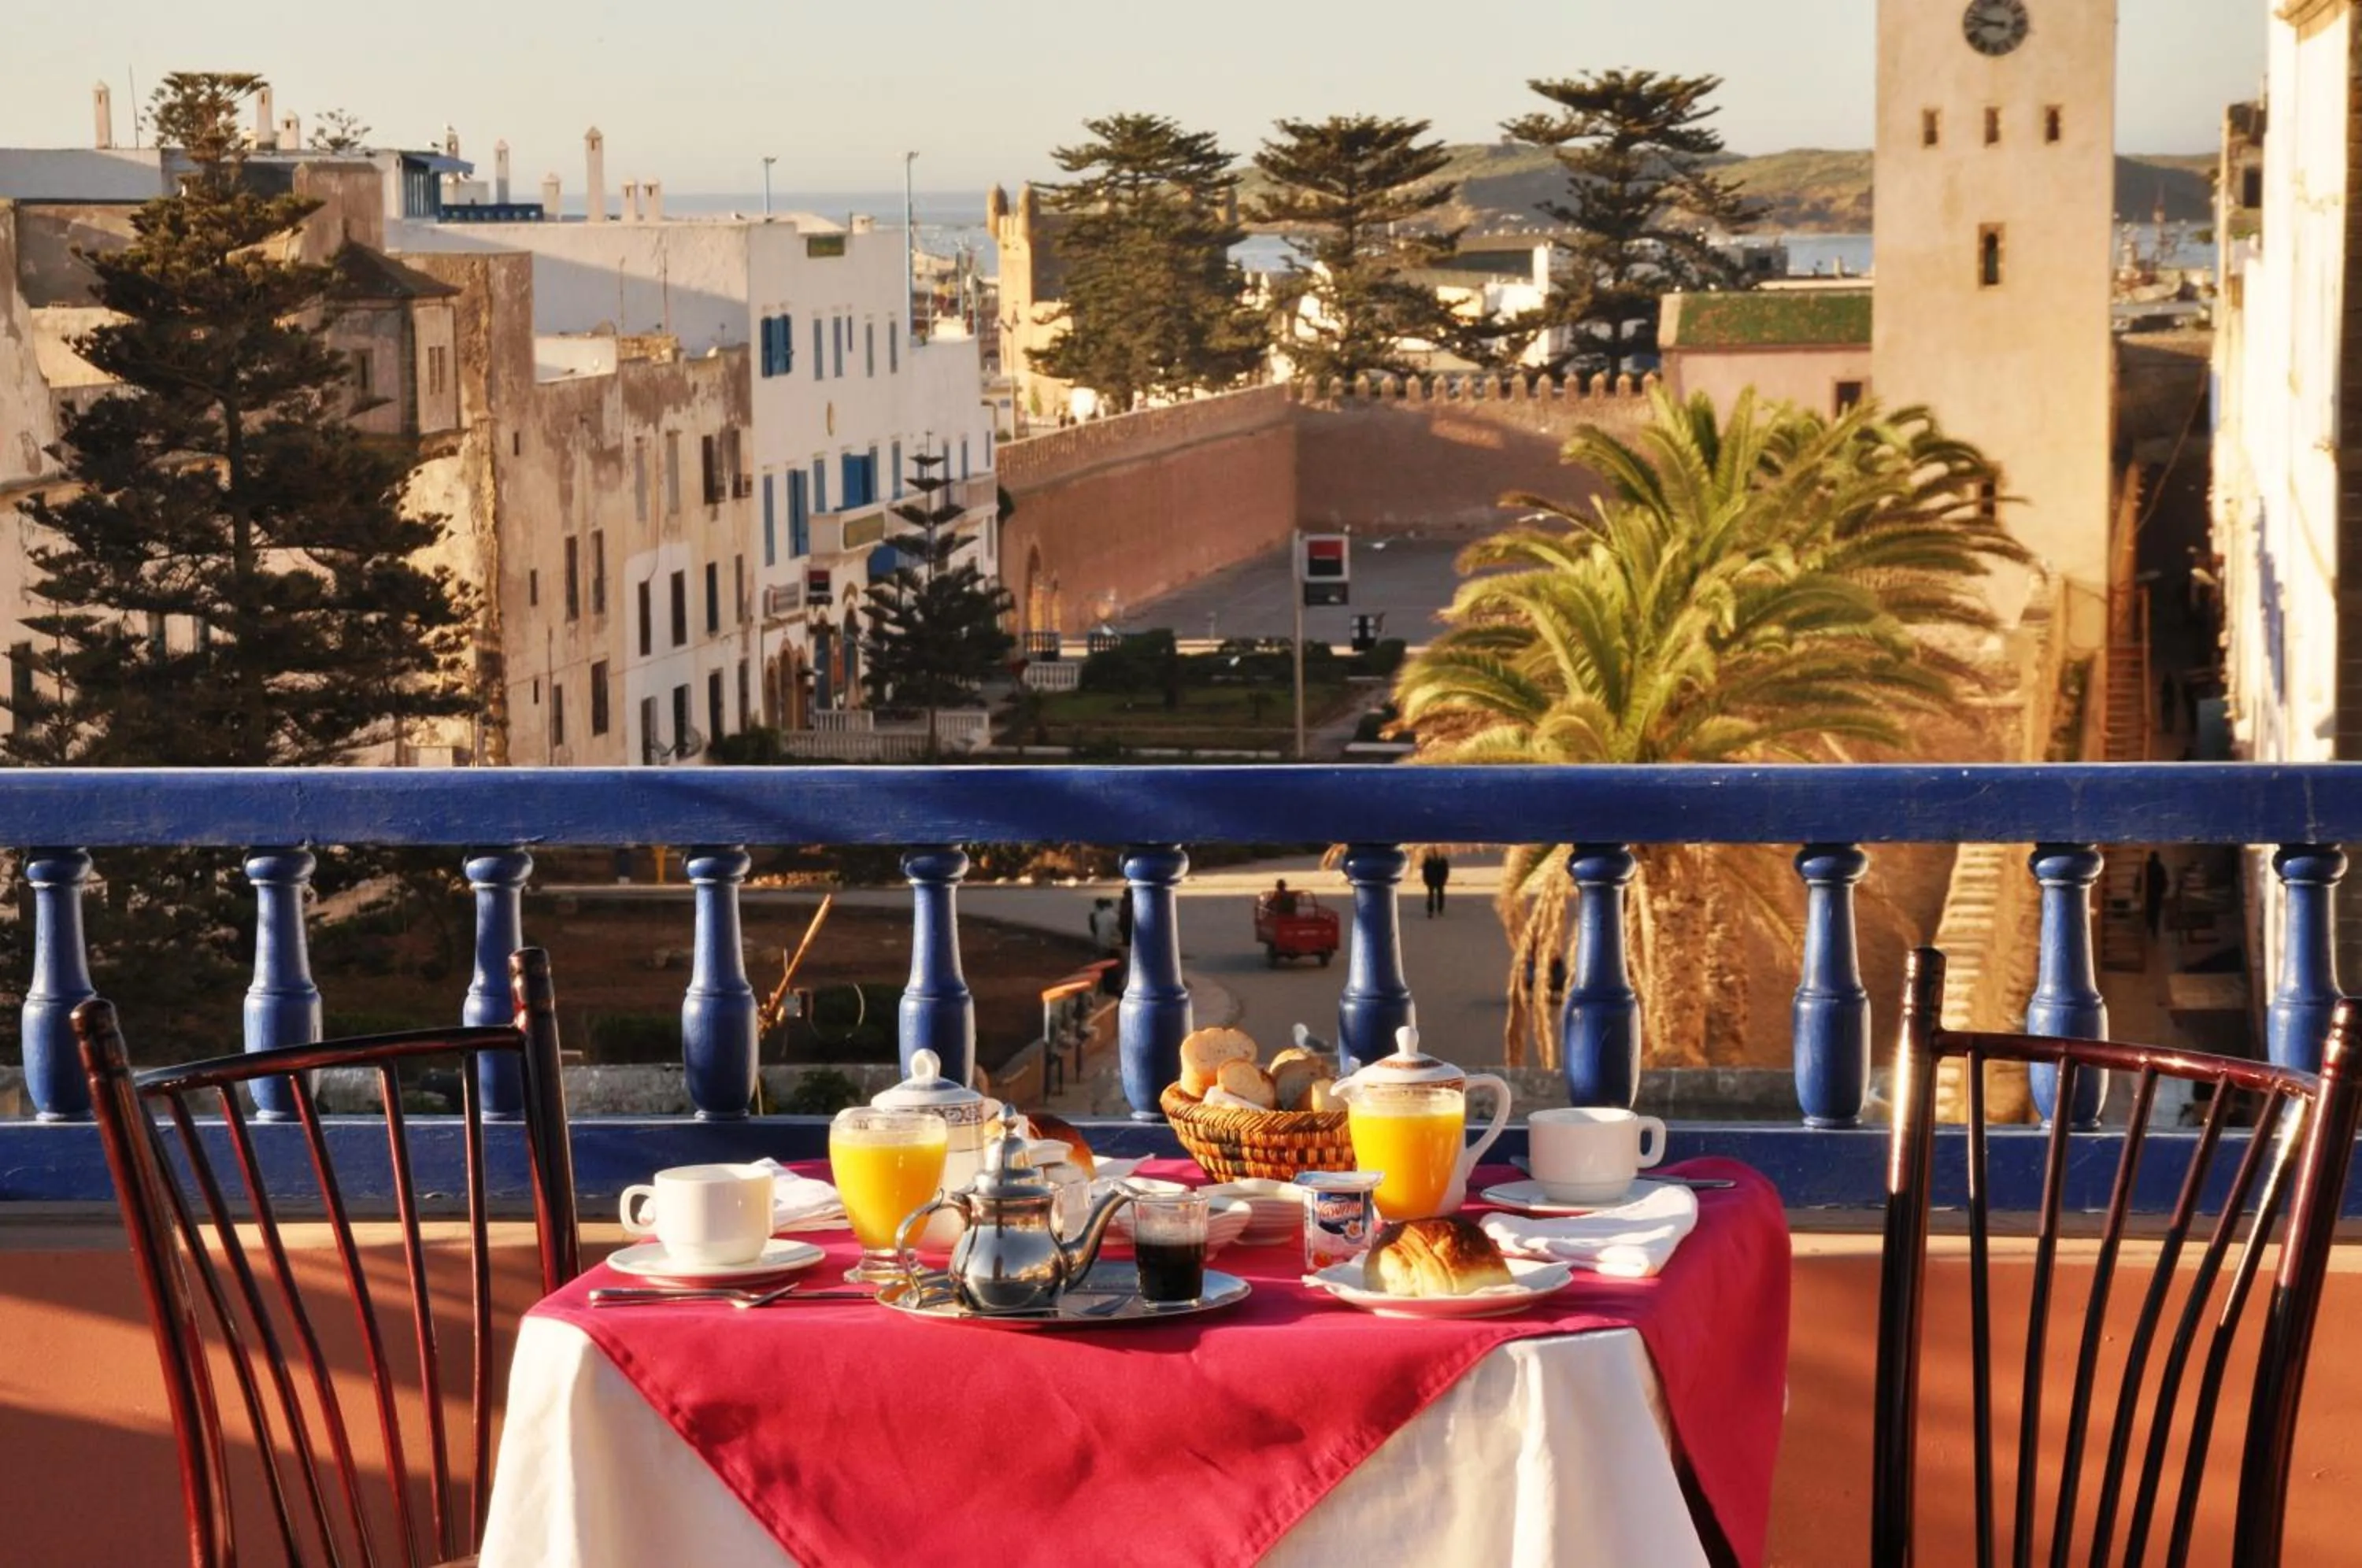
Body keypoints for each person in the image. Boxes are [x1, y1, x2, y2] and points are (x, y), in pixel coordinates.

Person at [2142, 850, 2169, 940]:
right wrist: (2163, 891)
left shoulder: (2146, 866)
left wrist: (2138, 890)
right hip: (2157, 894)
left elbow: (2140, 879)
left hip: (2148, 893)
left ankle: (2146, 930)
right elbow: (2164, 881)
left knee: (2147, 912)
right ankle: (2154, 932)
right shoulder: (2160, 867)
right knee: (2156, 914)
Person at [1420, 848, 1450, 918]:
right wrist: (1426, 879)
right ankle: (1432, 911)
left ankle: (1439, 909)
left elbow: (1446, 871)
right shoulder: (1429, 860)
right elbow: (1425, 871)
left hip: (1438, 880)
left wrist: (1444, 879)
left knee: (1438, 895)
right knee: (1432, 896)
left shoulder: (1442, 860)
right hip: (1432, 880)